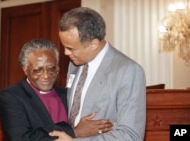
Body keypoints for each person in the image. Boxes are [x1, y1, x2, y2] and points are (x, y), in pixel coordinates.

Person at [49, 7, 146, 141]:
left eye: (71, 48)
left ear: (93, 44)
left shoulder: (128, 70)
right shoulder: (74, 65)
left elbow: (131, 136)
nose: (66, 53)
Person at [0, 38, 113, 141]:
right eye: (38, 70)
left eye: (51, 68)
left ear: (58, 67)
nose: (46, 76)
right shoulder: (11, 96)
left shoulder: (68, 94)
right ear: (25, 69)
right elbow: (20, 138)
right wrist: (75, 131)